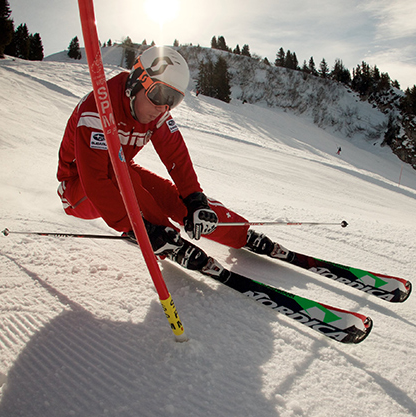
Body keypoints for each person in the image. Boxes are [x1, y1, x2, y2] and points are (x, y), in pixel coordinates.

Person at [56, 46, 279, 273]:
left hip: (121, 170)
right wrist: (140, 228)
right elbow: (95, 180)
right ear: (136, 82)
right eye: (160, 95)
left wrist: (195, 200)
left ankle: (236, 231)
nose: (163, 107)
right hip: (78, 188)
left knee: (170, 196)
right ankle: (167, 239)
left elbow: (176, 156)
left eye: (173, 100)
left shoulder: (157, 112)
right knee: (123, 177)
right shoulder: (98, 110)